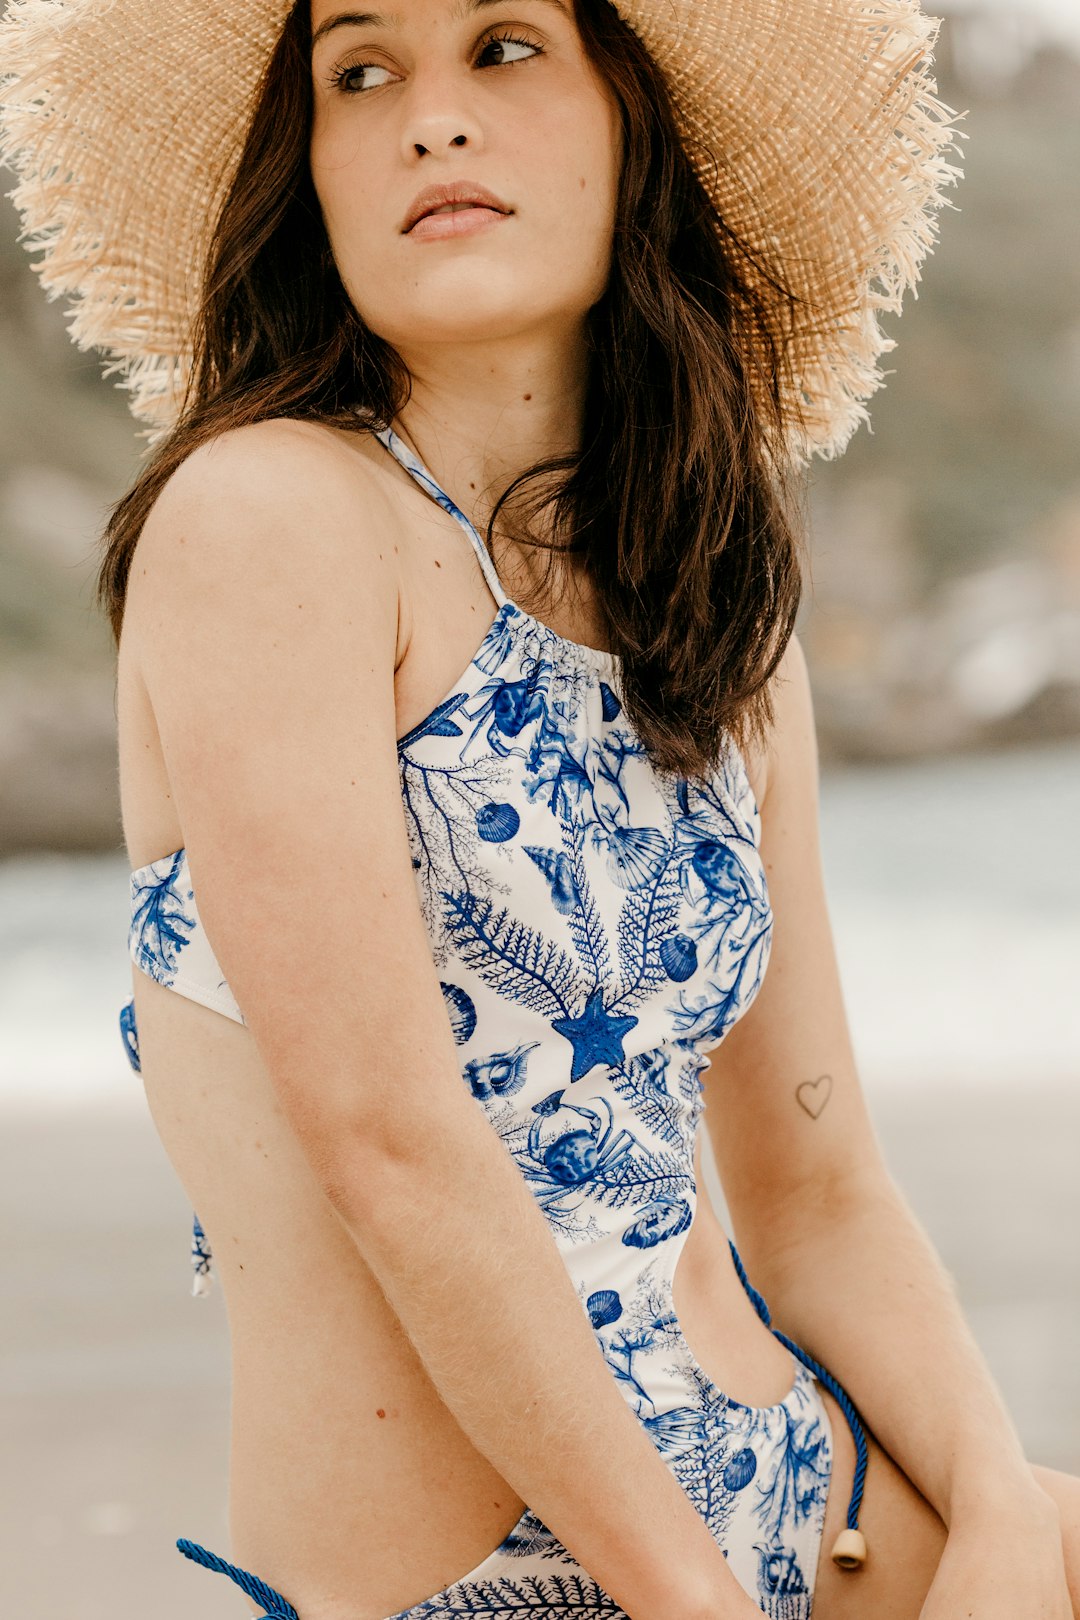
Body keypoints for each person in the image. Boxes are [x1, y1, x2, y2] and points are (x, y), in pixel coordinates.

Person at [2, 0, 1077, 1616]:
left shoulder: (711, 595)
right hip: (486, 1579)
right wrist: (695, 1604)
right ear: (311, 177)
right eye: (359, 73)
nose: (429, 116)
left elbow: (818, 1181)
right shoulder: (270, 516)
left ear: (634, 128)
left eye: (503, 47)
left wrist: (998, 1509)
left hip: (805, 1496)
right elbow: (393, 1143)